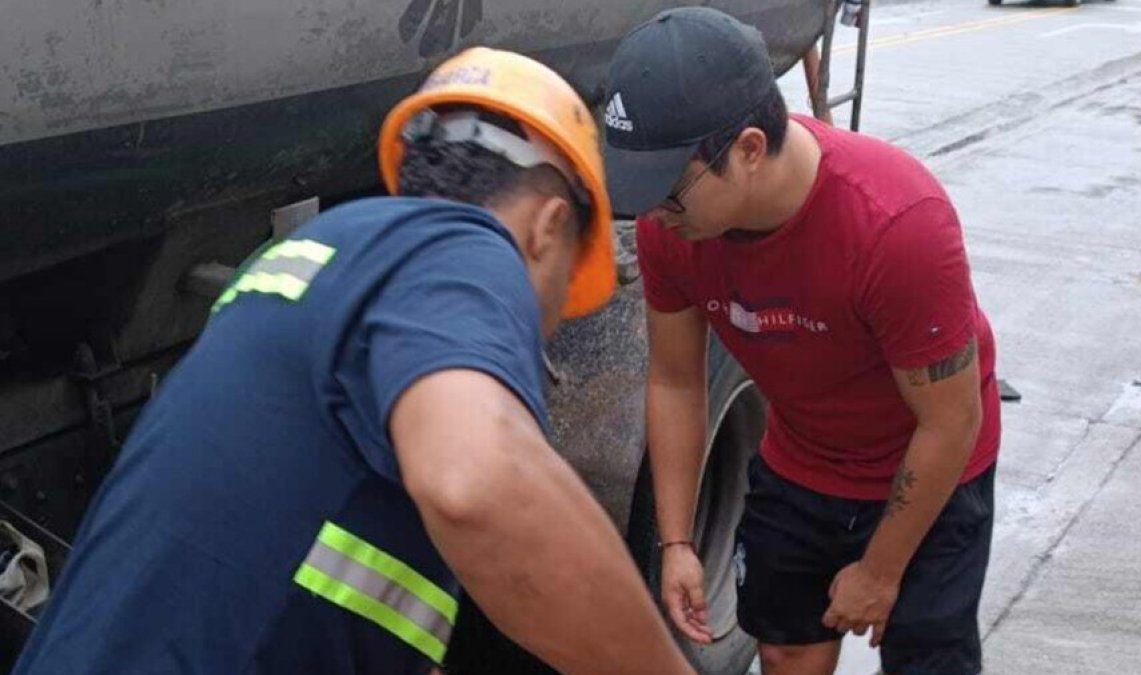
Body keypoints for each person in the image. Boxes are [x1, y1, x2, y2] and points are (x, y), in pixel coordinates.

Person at [12, 47, 695, 675]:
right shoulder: (461, 250)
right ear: (549, 225)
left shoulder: (327, 262)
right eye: (558, 295)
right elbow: (480, 480)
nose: (540, 328)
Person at [604, 8, 1001, 675]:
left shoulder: (896, 226)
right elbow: (675, 380)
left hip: (928, 468)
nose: (656, 216)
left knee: (926, 662)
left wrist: (880, 568)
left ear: (750, 150)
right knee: (786, 649)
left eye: (669, 193)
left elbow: (950, 417)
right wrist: (676, 541)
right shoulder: (672, 231)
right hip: (803, 459)